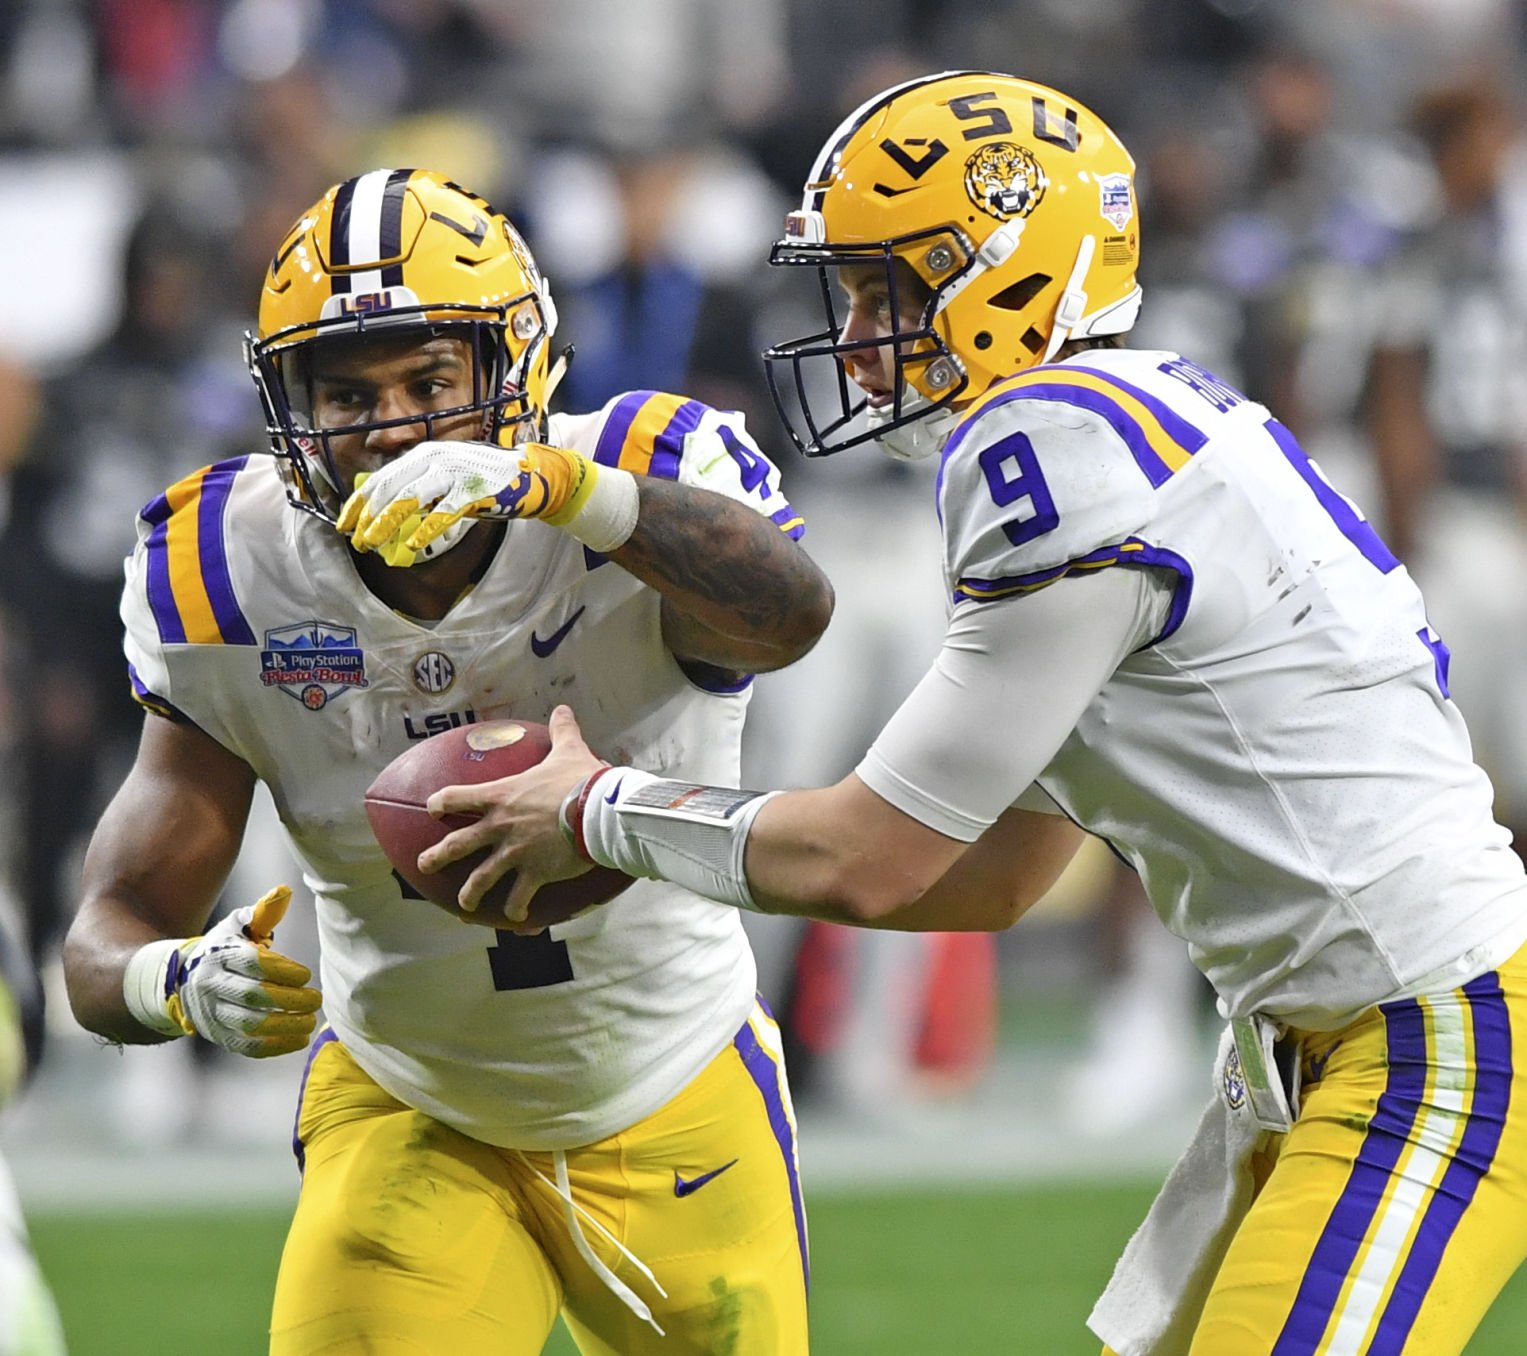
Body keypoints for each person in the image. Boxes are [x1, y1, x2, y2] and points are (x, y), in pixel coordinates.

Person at [425, 73, 1527, 1353]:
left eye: (891, 293)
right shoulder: (1131, 415)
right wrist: (661, 856)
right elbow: (1000, 871)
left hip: (1430, 1034)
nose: (856, 342)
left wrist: (603, 812)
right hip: (1326, 1037)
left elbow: (871, 859)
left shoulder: (1052, 452)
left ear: (1012, 275)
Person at [61, 168, 830, 1355]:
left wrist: (570, 493)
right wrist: (180, 981)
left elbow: (790, 616)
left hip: (678, 1084)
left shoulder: (632, 469)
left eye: (432, 381)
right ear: (288, 408)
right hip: (407, 1099)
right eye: (349, 392)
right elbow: (108, 931)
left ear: (511, 374)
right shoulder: (226, 560)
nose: (394, 427)